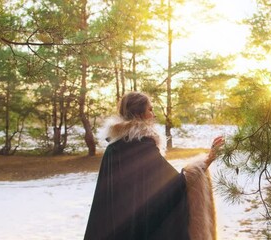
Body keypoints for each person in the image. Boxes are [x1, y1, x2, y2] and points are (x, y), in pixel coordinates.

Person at [84, 92, 224, 240]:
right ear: (139, 114)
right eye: (150, 110)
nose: (153, 115)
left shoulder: (113, 148)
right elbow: (175, 186)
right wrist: (207, 160)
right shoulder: (142, 147)